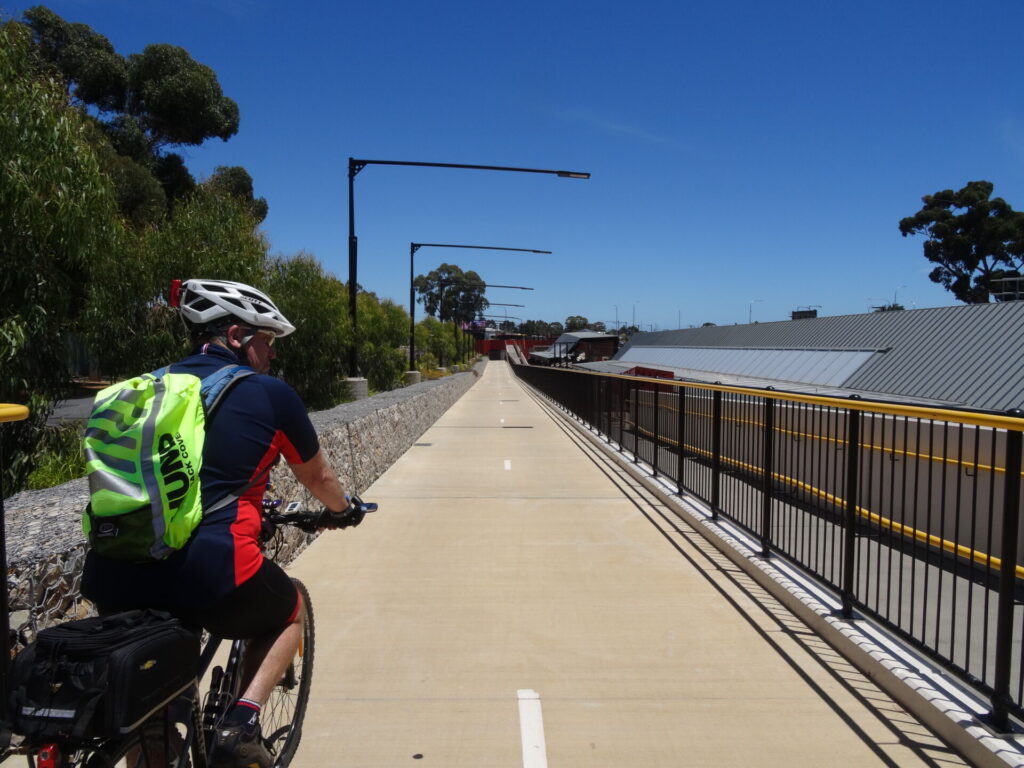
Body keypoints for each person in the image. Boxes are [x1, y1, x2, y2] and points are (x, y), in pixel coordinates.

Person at [82, 279, 355, 768]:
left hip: (113, 571)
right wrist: (343, 510)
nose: (271, 353)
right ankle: (240, 724)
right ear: (235, 336)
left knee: (154, 709)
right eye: (266, 340)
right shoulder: (270, 394)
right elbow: (318, 477)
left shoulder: (144, 390)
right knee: (290, 611)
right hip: (213, 571)